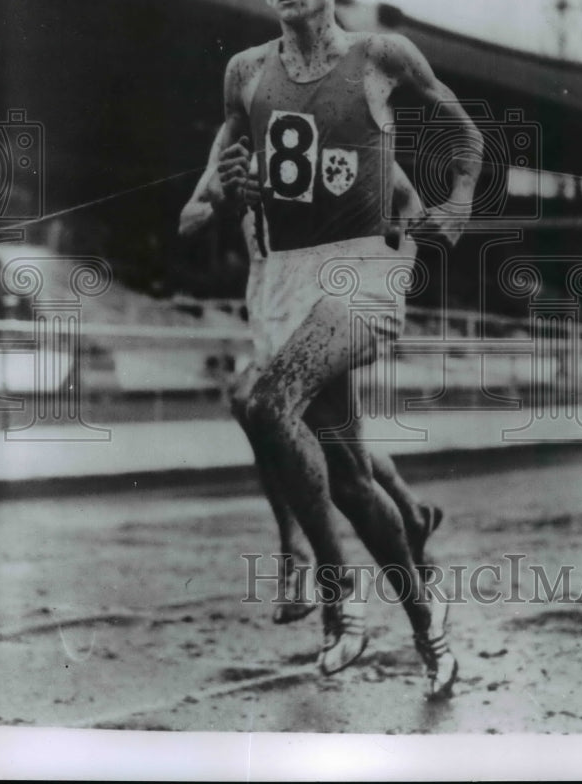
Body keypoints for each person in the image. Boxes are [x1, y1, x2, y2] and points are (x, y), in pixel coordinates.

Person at [200, 0, 482, 699]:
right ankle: (431, 630)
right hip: (287, 277)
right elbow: (229, 174)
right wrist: (232, 191)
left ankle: (336, 598)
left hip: (364, 273)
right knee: (350, 473)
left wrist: (455, 202)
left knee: (263, 398)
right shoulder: (246, 71)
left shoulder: (379, 55)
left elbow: (463, 133)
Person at [180, 141, 444, 624]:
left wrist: (393, 270)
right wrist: (224, 200)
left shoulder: (338, 120)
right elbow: (189, 220)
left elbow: (410, 206)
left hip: (332, 311)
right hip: (272, 309)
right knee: (336, 448)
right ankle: (410, 515)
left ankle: (300, 557)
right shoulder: (235, 136)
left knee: (255, 403)